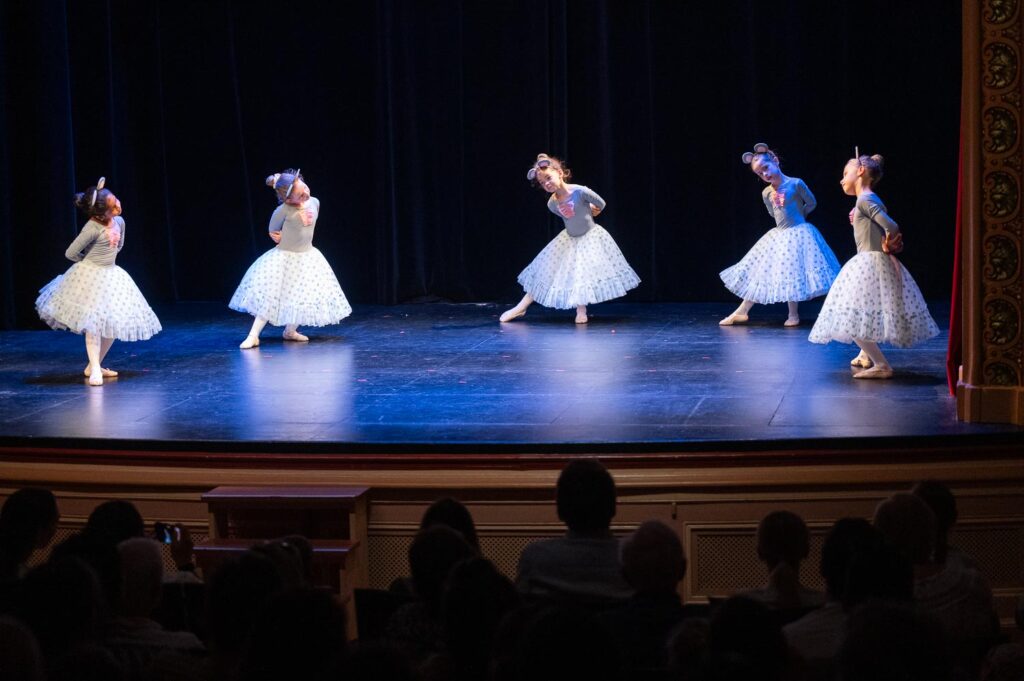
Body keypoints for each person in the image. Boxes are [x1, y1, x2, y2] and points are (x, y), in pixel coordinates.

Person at [809, 154, 939, 378]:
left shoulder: (865, 200)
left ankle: (882, 365)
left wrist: (889, 242)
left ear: (860, 172)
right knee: (867, 311)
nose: (842, 180)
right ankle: (865, 354)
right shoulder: (868, 200)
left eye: (845, 174)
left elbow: (892, 226)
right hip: (872, 260)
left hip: (869, 262)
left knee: (849, 316)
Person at [35, 178, 162, 385]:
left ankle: (95, 364)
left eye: (116, 201)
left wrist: (106, 258)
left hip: (111, 276)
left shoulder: (120, 221)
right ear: (100, 213)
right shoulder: (92, 228)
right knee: (93, 325)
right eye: (113, 207)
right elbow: (71, 252)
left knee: (112, 325)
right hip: (91, 276)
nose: (119, 206)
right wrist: (86, 265)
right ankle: (94, 368)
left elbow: (118, 246)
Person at [500, 154, 640, 325]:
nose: (547, 184)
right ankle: (520, 307)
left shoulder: (580, 191)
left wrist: (592, 208)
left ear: (560, 173)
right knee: (545, 273)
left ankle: (581, 311)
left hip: (590, 238)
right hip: (568, 240)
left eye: (548, 178)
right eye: (543, 183)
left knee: (580, 274)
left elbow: (601, 204)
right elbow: (566, 216)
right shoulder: (552, 204)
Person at [720, 143, 841, 327]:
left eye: (766, 168)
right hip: (779, 235)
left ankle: (795, 314)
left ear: (775, 161)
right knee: (760, 272)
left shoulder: (795, 183)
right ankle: (742, 311)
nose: (765, 174)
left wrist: (800, 216)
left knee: (793, 273)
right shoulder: (766, 192)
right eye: (760, 173)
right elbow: (772, 212)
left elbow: (811, 202)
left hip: (799, 232)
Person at [230, 169, 351, 348]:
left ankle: (290, 330)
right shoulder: (282, 210)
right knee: (272, 296)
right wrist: (277, 237)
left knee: (303, 295)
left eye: (305, 189)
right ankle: (253, 335)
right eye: (300, 195)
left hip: (307, 257)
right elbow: (272, 228)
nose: (306, 194)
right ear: (288, 199)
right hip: (284, 259)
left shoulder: (315, 202)